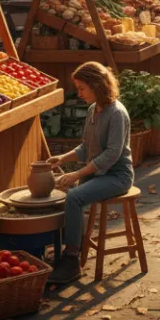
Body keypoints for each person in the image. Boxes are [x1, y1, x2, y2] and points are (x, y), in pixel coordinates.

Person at [46, 62, 133, 285]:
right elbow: (86, 147)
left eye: (82, 88)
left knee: (74, 196)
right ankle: (67, 246)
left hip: (117, 176)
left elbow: (111, 155)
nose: (79, 93)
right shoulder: (94, 110)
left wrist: (77, 175)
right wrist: (62, 159)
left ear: (97, 85)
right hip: (98, 174)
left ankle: (71, 259)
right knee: (60, 188)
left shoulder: (117, 114)